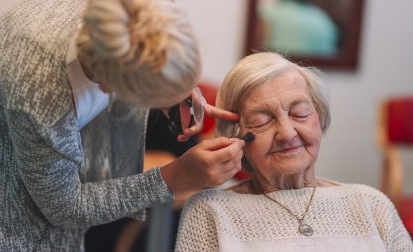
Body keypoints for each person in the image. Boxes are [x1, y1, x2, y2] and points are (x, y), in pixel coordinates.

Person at [0, 0, 245, 250]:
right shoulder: (39, 91)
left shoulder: (134, 12)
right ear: (108, 89)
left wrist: (177, 87)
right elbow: (66, 208)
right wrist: (175, 176)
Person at [174, 52, 413, 251]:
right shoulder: (210, 211)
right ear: (237, 138)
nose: (287, 133)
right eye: (261, 120)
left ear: (320, 118)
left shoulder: (371, 204)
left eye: (299, 113)